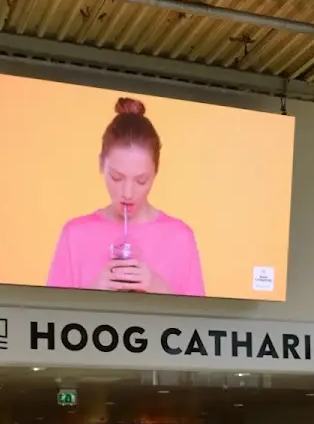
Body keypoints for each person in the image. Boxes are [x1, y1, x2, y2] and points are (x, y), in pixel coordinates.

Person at [46, 97, 205, 297]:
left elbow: (199, 324)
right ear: (101, 165)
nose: (127, 193)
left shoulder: (180, 237)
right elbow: (49, 321)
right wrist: (91, 294)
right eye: (116, 177)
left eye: (141, 181)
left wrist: (159, 288)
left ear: (156, 172)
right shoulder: (75, 234)